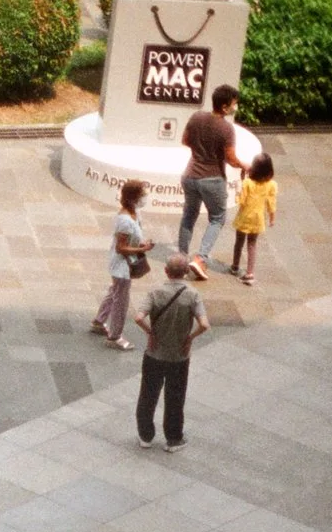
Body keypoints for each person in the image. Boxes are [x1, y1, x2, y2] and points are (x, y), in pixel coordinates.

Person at [133, 256, 209, 452]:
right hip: (179, 357)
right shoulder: (192, 295)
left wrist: (151, 333)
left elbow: (138, 317)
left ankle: (145, 436)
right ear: (185, 273)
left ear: (166, 271)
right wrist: (189, 338)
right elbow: (204, 324)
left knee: (148, 395)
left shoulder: (156, 292)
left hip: (154, 354)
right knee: (175, 398)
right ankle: (173, 439)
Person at [176, 86, 246, 280]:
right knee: (217, 218)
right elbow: (231, 158)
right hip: (212, 178)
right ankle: (200, 259)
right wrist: (244, 165)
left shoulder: (196, 117)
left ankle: (181, 258)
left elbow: (185, 140)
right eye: (233, 103)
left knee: (189, 215)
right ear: (224, 107)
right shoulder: (226, 128)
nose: (235, 107)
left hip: (190, 175)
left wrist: (201, 148)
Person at [91, 180, 152, 351]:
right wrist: (143, 248)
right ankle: (114, 336)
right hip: (122, 266)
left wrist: (142, 243)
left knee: (114, 292)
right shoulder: (125, 220)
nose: (144, 199)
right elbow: (121, 247)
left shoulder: (135, 213)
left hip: (124, 264)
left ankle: (99, 321)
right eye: (142, 196)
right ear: (134, 198)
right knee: (121, 301)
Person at [231, 153, 277, 286]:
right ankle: (250, 273)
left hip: (244, 217)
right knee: (252, 245)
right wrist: (272, 218)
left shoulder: (247, 183)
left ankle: (235, 266)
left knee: (239, 242)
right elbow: (271, 202)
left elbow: (241, 201)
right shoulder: (271, 185)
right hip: (258, 219)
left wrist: (241, 181)